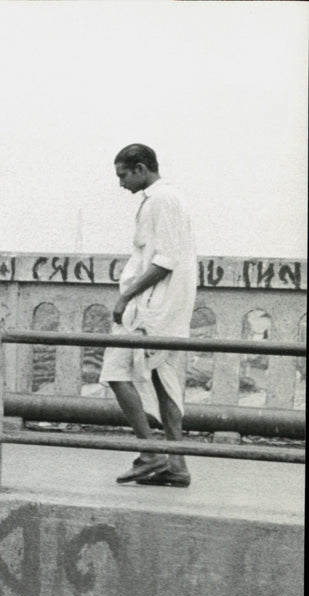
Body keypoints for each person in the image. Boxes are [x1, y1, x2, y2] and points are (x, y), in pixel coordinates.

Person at [102, 144, 197, 488]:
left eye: (123, 175)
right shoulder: (165, 200)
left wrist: (126, 297)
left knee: (115, 371)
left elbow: (165, 259)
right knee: (165, 385)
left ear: (141, 168)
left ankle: (150, 452)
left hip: (151, 310)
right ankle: (177, 466)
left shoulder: (161, 200)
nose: (121, 183)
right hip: (166, 310)